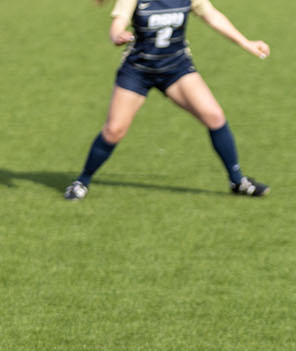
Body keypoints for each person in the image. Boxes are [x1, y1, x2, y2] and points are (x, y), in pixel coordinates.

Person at [63, 0, 271, 201]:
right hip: (138, 72)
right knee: (114, 131)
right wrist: (117, 35)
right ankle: (82, 181)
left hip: (176, 69)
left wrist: (246, 43)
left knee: (214, 116)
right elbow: (118, 23)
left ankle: (238, 181)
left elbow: (213, 16)